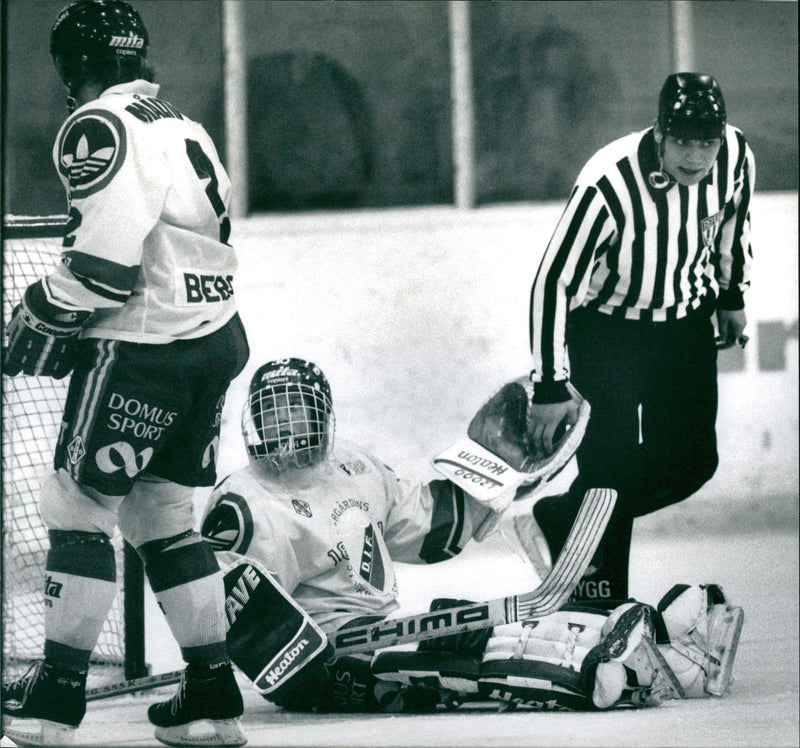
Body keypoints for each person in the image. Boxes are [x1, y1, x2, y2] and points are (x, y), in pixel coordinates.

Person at [198, 357, 743, 714]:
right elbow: (224, 600)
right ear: (253, 425)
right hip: (334, 654)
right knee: (462, 659)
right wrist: (296, 666)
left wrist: (493, 476)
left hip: (382, 627)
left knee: (486, 630)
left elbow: (424, 527)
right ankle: (605, 675)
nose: (289, 429)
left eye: (300, 413)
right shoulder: (243, 503)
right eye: (275, 416)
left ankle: (661, 650)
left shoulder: (351, 465)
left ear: (325, 418)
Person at [2, 2, 249, 746]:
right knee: (162, 518)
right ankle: (210, 695)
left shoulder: (99, 126)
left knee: (76, 508)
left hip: (142, 349)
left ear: (75, 66)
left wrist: (41, 311)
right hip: (213, 339)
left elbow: (103, 273)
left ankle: (54, 703)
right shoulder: (184, 122)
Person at [526, 73, 755, 605]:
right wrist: (549, 386)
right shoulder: (608, 181)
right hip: (608, 334)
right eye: (683, 141)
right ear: (658, 132)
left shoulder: (737, 154)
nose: (697, 157)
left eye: (708, 142)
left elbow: (732, 222)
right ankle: (601, 607)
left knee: (693, 463)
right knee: (612, 470)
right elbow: (552, 282)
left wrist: (731, 296)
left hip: (685, 326)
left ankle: (566, 515)